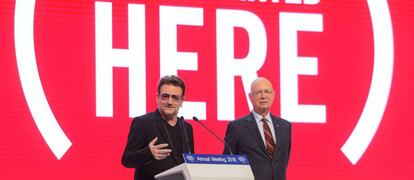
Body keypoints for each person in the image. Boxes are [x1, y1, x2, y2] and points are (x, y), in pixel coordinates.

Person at [122, 75, 194, 180]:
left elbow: (189, 161)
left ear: (182, 101)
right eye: (165, 96)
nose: (169, 102)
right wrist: (148, 153)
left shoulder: (186, 127)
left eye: (175, 97)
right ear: (157, 98)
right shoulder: (143, 123)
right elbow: (127, 160)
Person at [223, 77, 291, 180]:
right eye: (259, 92)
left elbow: (283, 161)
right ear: (250, 97)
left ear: (273, 95)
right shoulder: (237, 127)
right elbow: (227, 163)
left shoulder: (285, 127)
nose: (263, 96)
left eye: (267, 92)